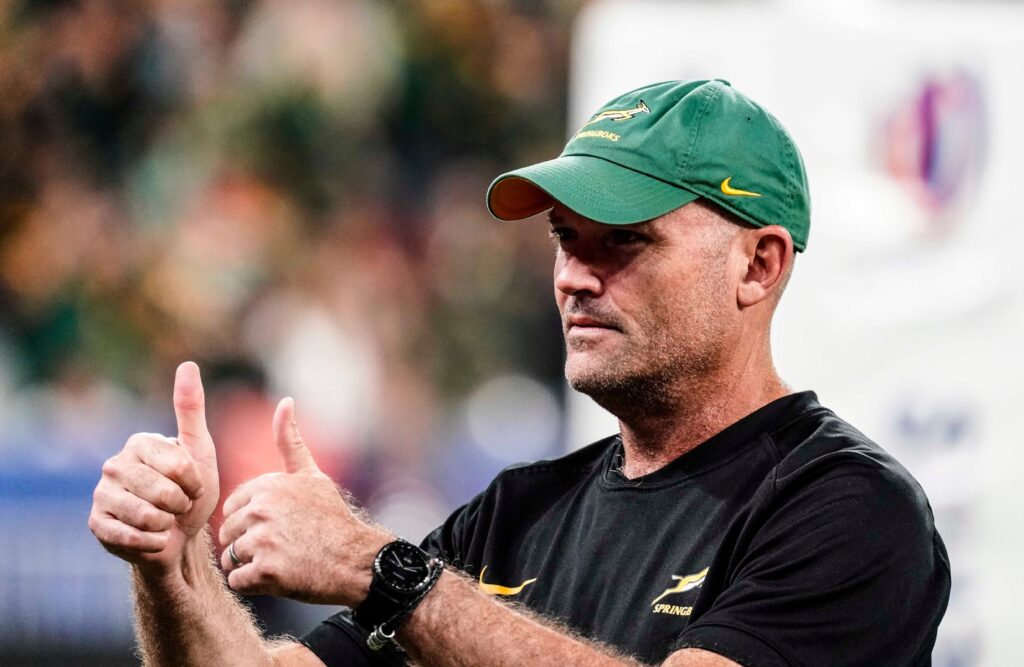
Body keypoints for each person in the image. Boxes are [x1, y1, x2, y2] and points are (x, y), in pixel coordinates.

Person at [89, 79, 950, 666]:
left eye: (626, 240)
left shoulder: (846, 507)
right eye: (565, 238)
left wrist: (383, 571)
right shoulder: (516, 513)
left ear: (758, 266)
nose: (575, 275)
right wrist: (171, 567)